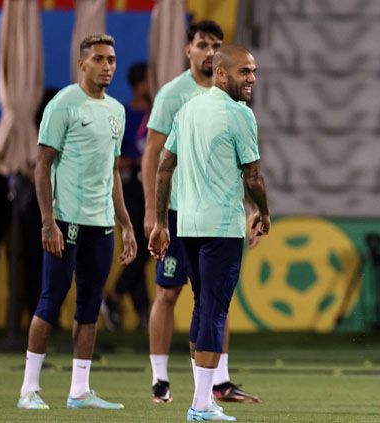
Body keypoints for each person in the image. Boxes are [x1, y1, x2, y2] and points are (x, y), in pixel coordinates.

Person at [141, 20, 260, 404]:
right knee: (172, 293)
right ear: (187, 50)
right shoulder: (175, 95)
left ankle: (217, 383)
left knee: (208, 301)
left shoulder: (226, 96)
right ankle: (163, 380)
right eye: (202, 44)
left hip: (195, 215)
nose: (208, 51)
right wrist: (153, 214)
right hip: (181, 212)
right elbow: (154, 156)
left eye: (215, 45)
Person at [17, 34, 137, 410]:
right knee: (51, 301)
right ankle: (28, 390)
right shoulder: (63, 103)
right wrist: (47, 221)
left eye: (112, 59)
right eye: (99, 59)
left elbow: (113, 172)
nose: (107, 66)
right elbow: (42, 166)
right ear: (81, 64)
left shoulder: (116, 110)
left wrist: (126, 224)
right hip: (65, 223)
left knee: (90, 306)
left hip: (100, 226)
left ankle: (79, 391)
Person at [102, 62, 152, 330]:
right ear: (139, 84)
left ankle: (137, 308)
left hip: (150, 188)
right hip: (129, 187)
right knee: (140, 247)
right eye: (148, 81)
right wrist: (135, 162)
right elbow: (115, 159)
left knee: (144, 248)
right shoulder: (124, 115)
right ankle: (117, 296)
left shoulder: (157, 114)